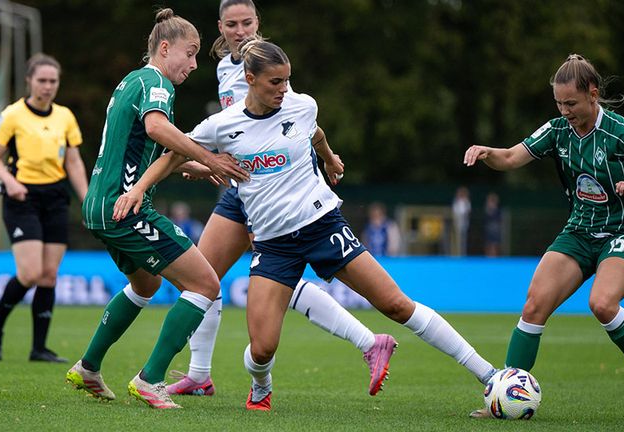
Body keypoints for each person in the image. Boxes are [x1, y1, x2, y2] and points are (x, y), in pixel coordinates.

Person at [115, 36, 498, 412]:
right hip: (273, 245)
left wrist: (329, 159)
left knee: (397, 305)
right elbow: (171, 155)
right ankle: (261, 385)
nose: (284, 89)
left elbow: (316, 133)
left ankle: (490, 375)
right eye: (275, 82)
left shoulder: (302, 105)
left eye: (287, 79)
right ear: (250, 79)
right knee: (261, 350)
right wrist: (140, 189)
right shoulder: (222, 125)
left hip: (323, 226)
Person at [164, 0, 393, 399]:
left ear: (258, 22)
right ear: (220, 26)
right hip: (242, 186)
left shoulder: (269, 66)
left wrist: (327, 157)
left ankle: (367, 342)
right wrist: (208, 162)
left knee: (270, 275)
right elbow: (232, 133)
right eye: (231, 24)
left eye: (246, 22)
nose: (239, 31)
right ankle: (200, 374)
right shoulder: (224, 67)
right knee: (204, 276)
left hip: (273, 189)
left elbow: (303, 123)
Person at [464, 54, 624, 420]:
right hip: (579, 230)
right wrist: (488, 153)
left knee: (603, 304)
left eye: (571, 103)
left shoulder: (618, 132)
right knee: (534, 305)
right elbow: (511, 158)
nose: (565, 111)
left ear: (593, 94)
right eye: (559, 103)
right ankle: (506, 395)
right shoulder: (558, 130)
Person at [65, 8, 247, 409]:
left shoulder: (131, 81)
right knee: (206, 285)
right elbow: (157, 129)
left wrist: (200, 166)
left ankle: (88, 367)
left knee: (145, 285)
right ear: (165, 48)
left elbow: (143, 150)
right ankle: (150, 379)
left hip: (99, 204)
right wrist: (209, 157)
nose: (194, 64)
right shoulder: (157, 83)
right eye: (190, 53)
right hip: (126, 207)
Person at [0, 53, 88, 363]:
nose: (47, 86)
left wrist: (87, 199)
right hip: (22, 198)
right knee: (30, 273)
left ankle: (39, 348)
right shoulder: (13, 115)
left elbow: (73, 162)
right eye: (42, 80)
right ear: (29, 80)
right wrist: (9, 181)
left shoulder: (65, 117)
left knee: (49, 275)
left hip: (55, 197)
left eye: (53, 81)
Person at [452, 186, 471, 256]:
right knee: (455, 240)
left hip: (464, 223)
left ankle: (462, 254)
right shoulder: (456, 201)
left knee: (463, 240)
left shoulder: (467, 202)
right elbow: (454, 211)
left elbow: (467, 211)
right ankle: (455, 254)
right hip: (456, 223)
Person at [483, 192, 503, 257]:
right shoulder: (487, 210)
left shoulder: (498, 211)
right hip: (488, 230)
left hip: (495, 230)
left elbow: (499, 220)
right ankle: (488, 257)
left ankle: (495, 257)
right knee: (488, 244)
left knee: (495, 245)